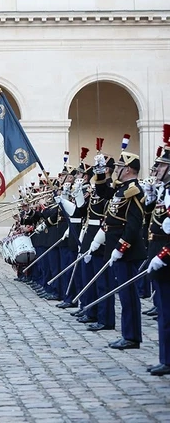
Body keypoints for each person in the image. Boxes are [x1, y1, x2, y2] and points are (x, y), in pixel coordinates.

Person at [103, 149, 146, 350]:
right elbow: (104, 195)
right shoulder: (121, 189)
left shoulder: (134, 190)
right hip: (116, 245)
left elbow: (134, 224)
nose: (116, 170)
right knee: (123, 293)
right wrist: (101, 173)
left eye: (119, 167)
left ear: (128, 169)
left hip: (127, 249)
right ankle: (127, 334)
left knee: (128, 294)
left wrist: (121, 247)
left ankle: (132, 336)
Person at [145, 125, 170, 375]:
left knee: (167, 311)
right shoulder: (164, 192)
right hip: (160, 254)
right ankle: (166, 357)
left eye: (162, 166)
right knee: (164, 310)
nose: (157, 170)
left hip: (167, 260)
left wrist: (163, 257)